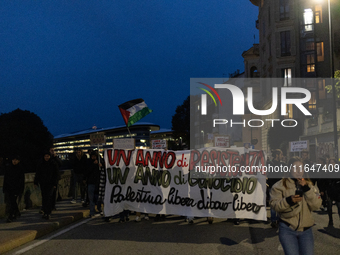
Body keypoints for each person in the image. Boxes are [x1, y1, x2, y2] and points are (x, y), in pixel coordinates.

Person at [270, 157, 321, 255]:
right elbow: (274, 205)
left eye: (301, 168)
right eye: (295, 168)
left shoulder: (310, 185)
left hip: (306, 230)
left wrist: (307, 189)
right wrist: (289, 200)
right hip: (287, 229)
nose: (298, 171)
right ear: (289, 169)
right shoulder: (279, 186)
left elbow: (317, 205)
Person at [34, 152, 59, 220]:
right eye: (45, 156)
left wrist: (54, 184)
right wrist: (36, 182)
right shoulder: (41, 163)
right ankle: (45, 211)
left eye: (48, 156)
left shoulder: (53, 163)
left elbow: (56, 174)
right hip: (43, 183)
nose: (46, 158)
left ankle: (48, 212)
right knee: (44, 197)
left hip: (50, 183)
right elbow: (38, 173)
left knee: (49, 197)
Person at [267, 149, 286, 228]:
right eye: (281, 154)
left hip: (277, 186)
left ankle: (275, 220)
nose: (282, 156)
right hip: (274, 186)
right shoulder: (271, 164)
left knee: (276, 203)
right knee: (276, 203)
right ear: (277, 155)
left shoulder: (281, 164)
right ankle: (275, 220)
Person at [3, 155, 25, 223]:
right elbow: (5, 178)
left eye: (16, 160)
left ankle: (11, 216)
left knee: (13, 202)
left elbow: (22, 180)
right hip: (9, 188)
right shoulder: (9, 168)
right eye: (13, 160)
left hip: (16, 188)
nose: (14, 161)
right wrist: (5, 188)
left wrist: (20, 189)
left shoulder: (20, 169)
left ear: (18, 161)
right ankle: (16, 213)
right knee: (12, 202)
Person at [323, 157, 340, 227]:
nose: (332, 164)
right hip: (330, 191)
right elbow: (324, 181)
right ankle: (330, 220)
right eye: (330, 163)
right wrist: (324, 190)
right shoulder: (327, 171)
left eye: (333, 162)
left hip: (337, 191)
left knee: (339, 207)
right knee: (329, 207)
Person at [85, 151, 102, 217]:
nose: (93, 158)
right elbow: (87, 171)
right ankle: (92, 211)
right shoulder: (88, 162)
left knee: (98, 197)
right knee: (91, 198)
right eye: (92, 156)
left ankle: (99, 208)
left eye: (94, 156)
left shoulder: (100, 161)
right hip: (91, 182)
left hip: (98, 182)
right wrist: (93, 165)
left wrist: (100, 164)